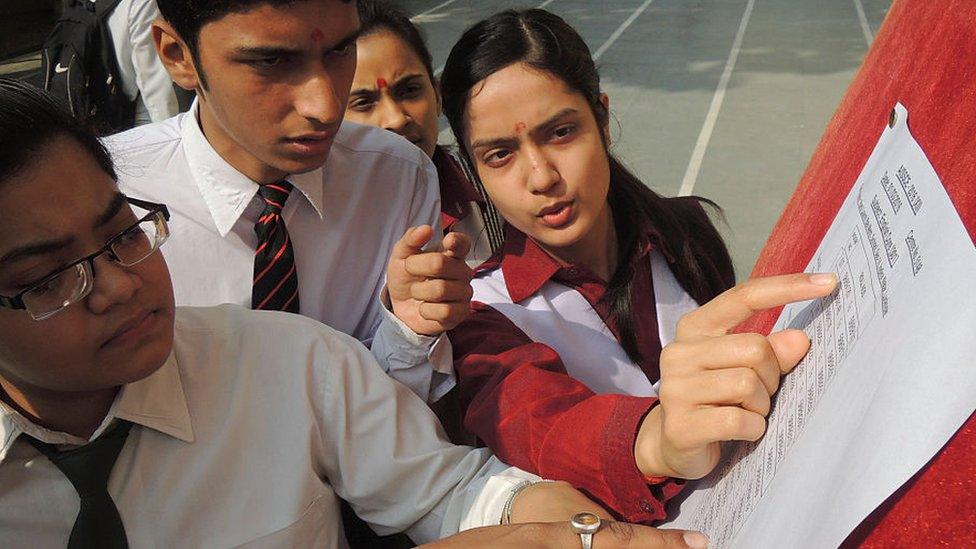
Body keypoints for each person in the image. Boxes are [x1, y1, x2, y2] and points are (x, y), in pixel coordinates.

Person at [0, 77, 712, 549]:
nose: (119, 285)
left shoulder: (290, 361)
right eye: (45, 279)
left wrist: (581, 530)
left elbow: (452, 488)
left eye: (125, 233)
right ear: (178, 55)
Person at [439, 9, 839, 523]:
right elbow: (539, 424)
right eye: (500, 155)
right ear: (473, 173)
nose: (541, 177)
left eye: (560, 132)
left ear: (602, 120)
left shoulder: (686, 232)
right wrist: (659, 444)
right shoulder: (480, 315)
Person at [104, 0, 469, 403]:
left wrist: (407, 331)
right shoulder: (109, 196)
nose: (326, 106)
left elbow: (395, 411)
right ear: (178, 55)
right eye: (271, 61)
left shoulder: (397, 176)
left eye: (340, 51)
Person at [344, 0, 505, 266]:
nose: (396, 119)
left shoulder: (491, 182)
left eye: (409, 90)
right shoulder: (308, 222)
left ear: (437, 95)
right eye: (364, 102)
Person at [106, 0, 182, 125]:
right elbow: (153, 81)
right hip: (129, 115)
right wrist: (170, 131)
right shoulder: (142, 4)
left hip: (94, 113)